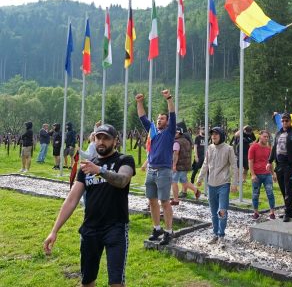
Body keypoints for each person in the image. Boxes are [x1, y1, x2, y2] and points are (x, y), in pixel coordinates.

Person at [43, 124, 136, 287]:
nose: (101, 141)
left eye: (106, 138)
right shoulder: (86, 167)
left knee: (116, 283)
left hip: (116, 228)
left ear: (115, 141)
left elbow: (122, 181)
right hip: (90, 229)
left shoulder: (124, 160)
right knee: (87, 282)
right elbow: (71, 200)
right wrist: (54, 231)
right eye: (98, 138)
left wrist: (99, 170)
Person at [136, 90, 175, 245]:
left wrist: (169, 99)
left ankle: (168, 231)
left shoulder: (170, 132)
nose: (159, 120)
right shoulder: (152, 131)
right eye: (158, 118)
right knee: (152, 201)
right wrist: (139, 102)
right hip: (151, 171)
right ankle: (157, 228)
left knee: (165, 202)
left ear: (167, 122)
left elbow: (172, 113)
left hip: (164, 171)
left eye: (162, 118)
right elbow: (142, 118)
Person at [197, 127, 237, 248]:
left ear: (221, 135)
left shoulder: (228, 149)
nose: (213, 136)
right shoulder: (209, 148)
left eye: (216, 134)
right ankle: (215, 234)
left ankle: (221, 236)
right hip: (211, 184)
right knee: (213, 212)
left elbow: (234, 166)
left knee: (222, 211)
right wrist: (200, 178)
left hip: (224, 184)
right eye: (212, 134)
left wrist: (234, 183)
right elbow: (205, 164)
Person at [267, 112, 292, 222]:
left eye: (286, 120)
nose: (284, 122)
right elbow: (274, 148)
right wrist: (269, 161)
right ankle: (290, 211)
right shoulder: (278, 133)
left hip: (290, 165)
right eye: (282, 121)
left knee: (288, 189)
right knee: (283, 189)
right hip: (279, 165)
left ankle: (287, 212)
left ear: (290, 121)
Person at [248, 130, 276, 220]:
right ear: (260, 136)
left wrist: (273, 173)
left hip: (267, 174)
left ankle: (272, 212)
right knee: (255, 194)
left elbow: (270, 162)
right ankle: (256, 212)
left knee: (270, 193)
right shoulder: (253, 147)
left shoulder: (269, 149)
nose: (266, 138)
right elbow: (250, 162)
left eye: (267, 137)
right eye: (265, 136)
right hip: (256, 175)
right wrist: (252, 174)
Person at [171, 126, 201, 204]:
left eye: (175, 132)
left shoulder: (177, 142)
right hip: (185, 165)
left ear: (178, 133)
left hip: (178, 165)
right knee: (184, 181)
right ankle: (196, 191)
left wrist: (174, 165)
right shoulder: (187, 141)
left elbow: (176, 154)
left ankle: (175, 199)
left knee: (173, 181)